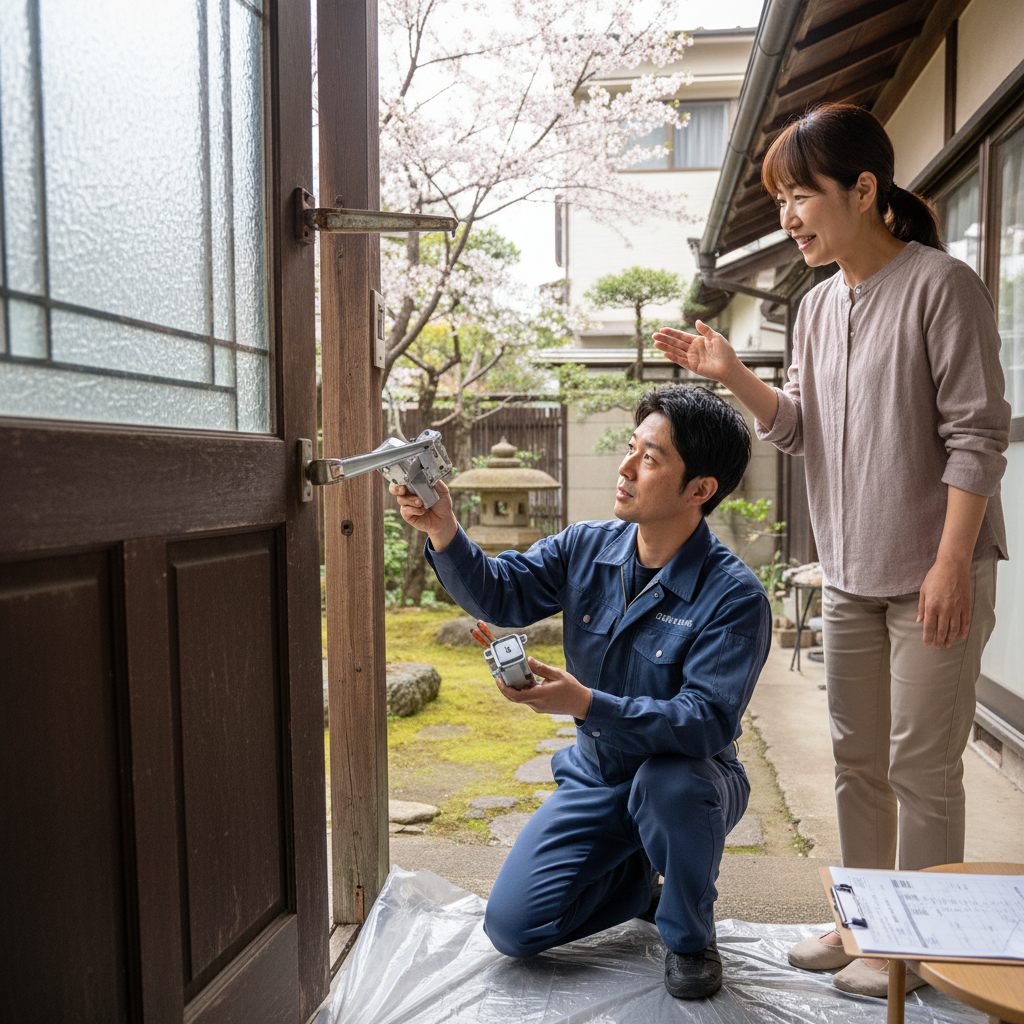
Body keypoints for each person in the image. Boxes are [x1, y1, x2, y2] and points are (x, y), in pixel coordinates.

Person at [653, 103, 1010, 999]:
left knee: (921, 767)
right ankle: (865, 925)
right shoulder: (815, 306)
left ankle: (916, 948)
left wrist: (950, 563)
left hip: (936, 570)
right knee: (856, 762)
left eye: (801, 196)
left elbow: (977, 437)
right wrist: (733, 375)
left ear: (863, 190)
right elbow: (801, 429)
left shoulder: (942, 285)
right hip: (849, 571)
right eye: (779, 200)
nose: (788, 217)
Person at [392, 384, 771, 1000]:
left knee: (671, 785)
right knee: (513, 928)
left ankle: (688, 934)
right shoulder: (586, 547)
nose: (625, 467)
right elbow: (501, 593)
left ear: (700, 489)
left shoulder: (734, 597)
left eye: (650, 458)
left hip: (688, 779)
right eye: (631, 447)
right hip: (596, 776)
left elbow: (705, 721)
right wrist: (443, 528)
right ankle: (639, 883)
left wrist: (588, 705)